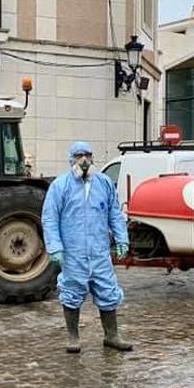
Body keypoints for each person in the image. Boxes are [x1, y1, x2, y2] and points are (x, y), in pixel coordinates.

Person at [42, 141, 132, 354]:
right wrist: (55, 247)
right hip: (73, 253)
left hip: (99, 251)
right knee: (71, 291)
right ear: (71, 159)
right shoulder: (60, 186)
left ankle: (112, 335)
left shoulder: (104, 184)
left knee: (107, 291)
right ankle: (73, 336)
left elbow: (114, 214)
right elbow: (50, 218)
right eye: (79, 155)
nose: (84, 160)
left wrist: (122, 239)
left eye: (88, 155)